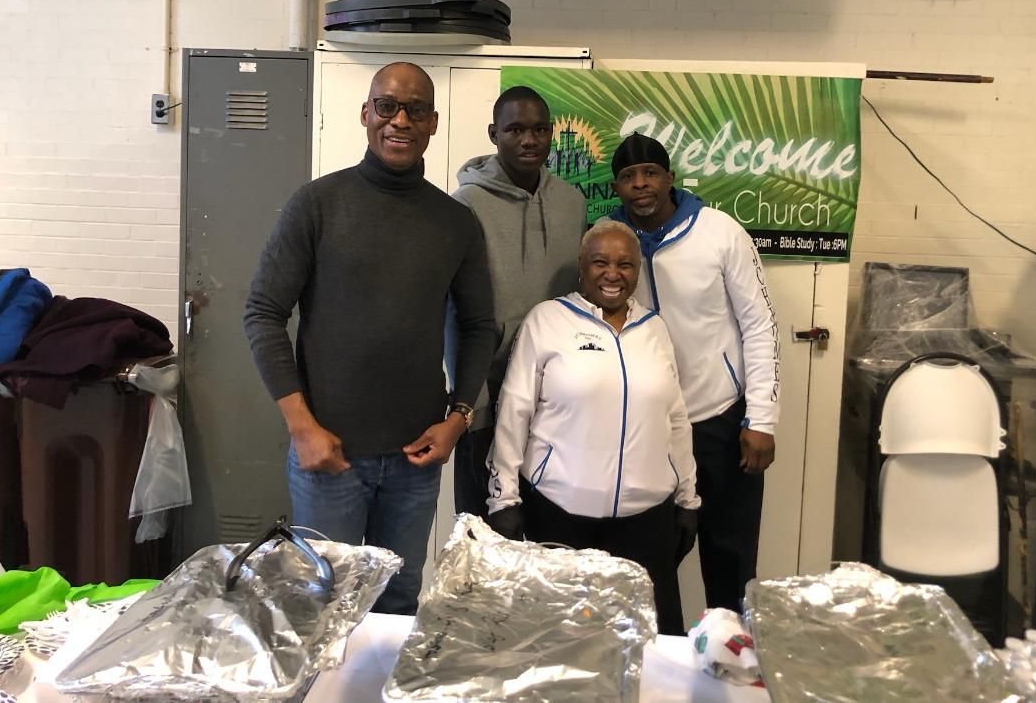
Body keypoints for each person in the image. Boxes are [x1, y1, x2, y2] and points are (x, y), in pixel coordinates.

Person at [243, 61, 496, 615]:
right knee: (319, 603)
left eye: (415, 109)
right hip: (329, 458)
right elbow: (262, 313)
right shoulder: (316, 205)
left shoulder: (455, 222)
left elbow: (481, 326)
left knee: (398, 598)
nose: (399, 120)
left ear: (433, 122)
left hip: (415, 463)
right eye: (387, 106)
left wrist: (457, 420)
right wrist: (301, 427)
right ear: (366, 114)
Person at [486, 220, 699, 635]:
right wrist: (503, 498)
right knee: (560, 642)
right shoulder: (547, 320)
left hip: (646, 522)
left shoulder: (654, 328)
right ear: (582, 268)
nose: (613, 274)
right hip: (561, 516)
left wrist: (688, 497)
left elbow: (675, 418)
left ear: (638, 272)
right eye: (600, 262)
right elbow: (514, 411)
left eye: (625, 264)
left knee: (648, 643)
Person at [608, 133, 779, 613]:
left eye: (650, 173)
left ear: (669, 178)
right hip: (649, 430)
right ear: (617, 187)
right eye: (627, 177)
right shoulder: (612, 239)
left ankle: (729, 662)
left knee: (729, 558)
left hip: (720, 422)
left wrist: (762, 418)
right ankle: (661, 663)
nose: (640, 185)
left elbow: (760, 326)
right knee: (650, 562)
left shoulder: (720, 232)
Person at [448, 85, 587, 518]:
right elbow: (454, 310)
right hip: (488, 396)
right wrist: (470, 401)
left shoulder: (572, 202)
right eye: (515, 130)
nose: (529, 140)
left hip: (558, 399)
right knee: (483, 533)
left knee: (548, 532)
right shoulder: (465, 205)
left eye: (540, 129)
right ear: (494, 134)